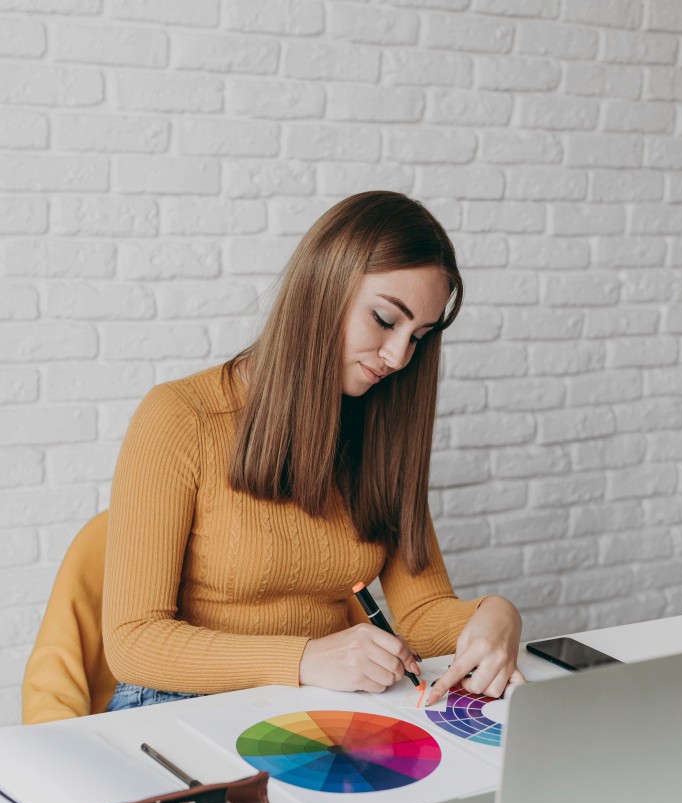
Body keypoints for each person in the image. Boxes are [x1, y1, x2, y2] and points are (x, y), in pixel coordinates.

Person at [103, 191, 524, 713]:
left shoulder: (380, 434)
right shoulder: (181, 418)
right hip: (178, 704)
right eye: (385, 320)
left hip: (312, 706)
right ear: (323, 287)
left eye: (419, 336)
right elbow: (132, 642)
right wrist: (304, 659)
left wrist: (495, 614)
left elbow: (422, 612)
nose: (398, 357)